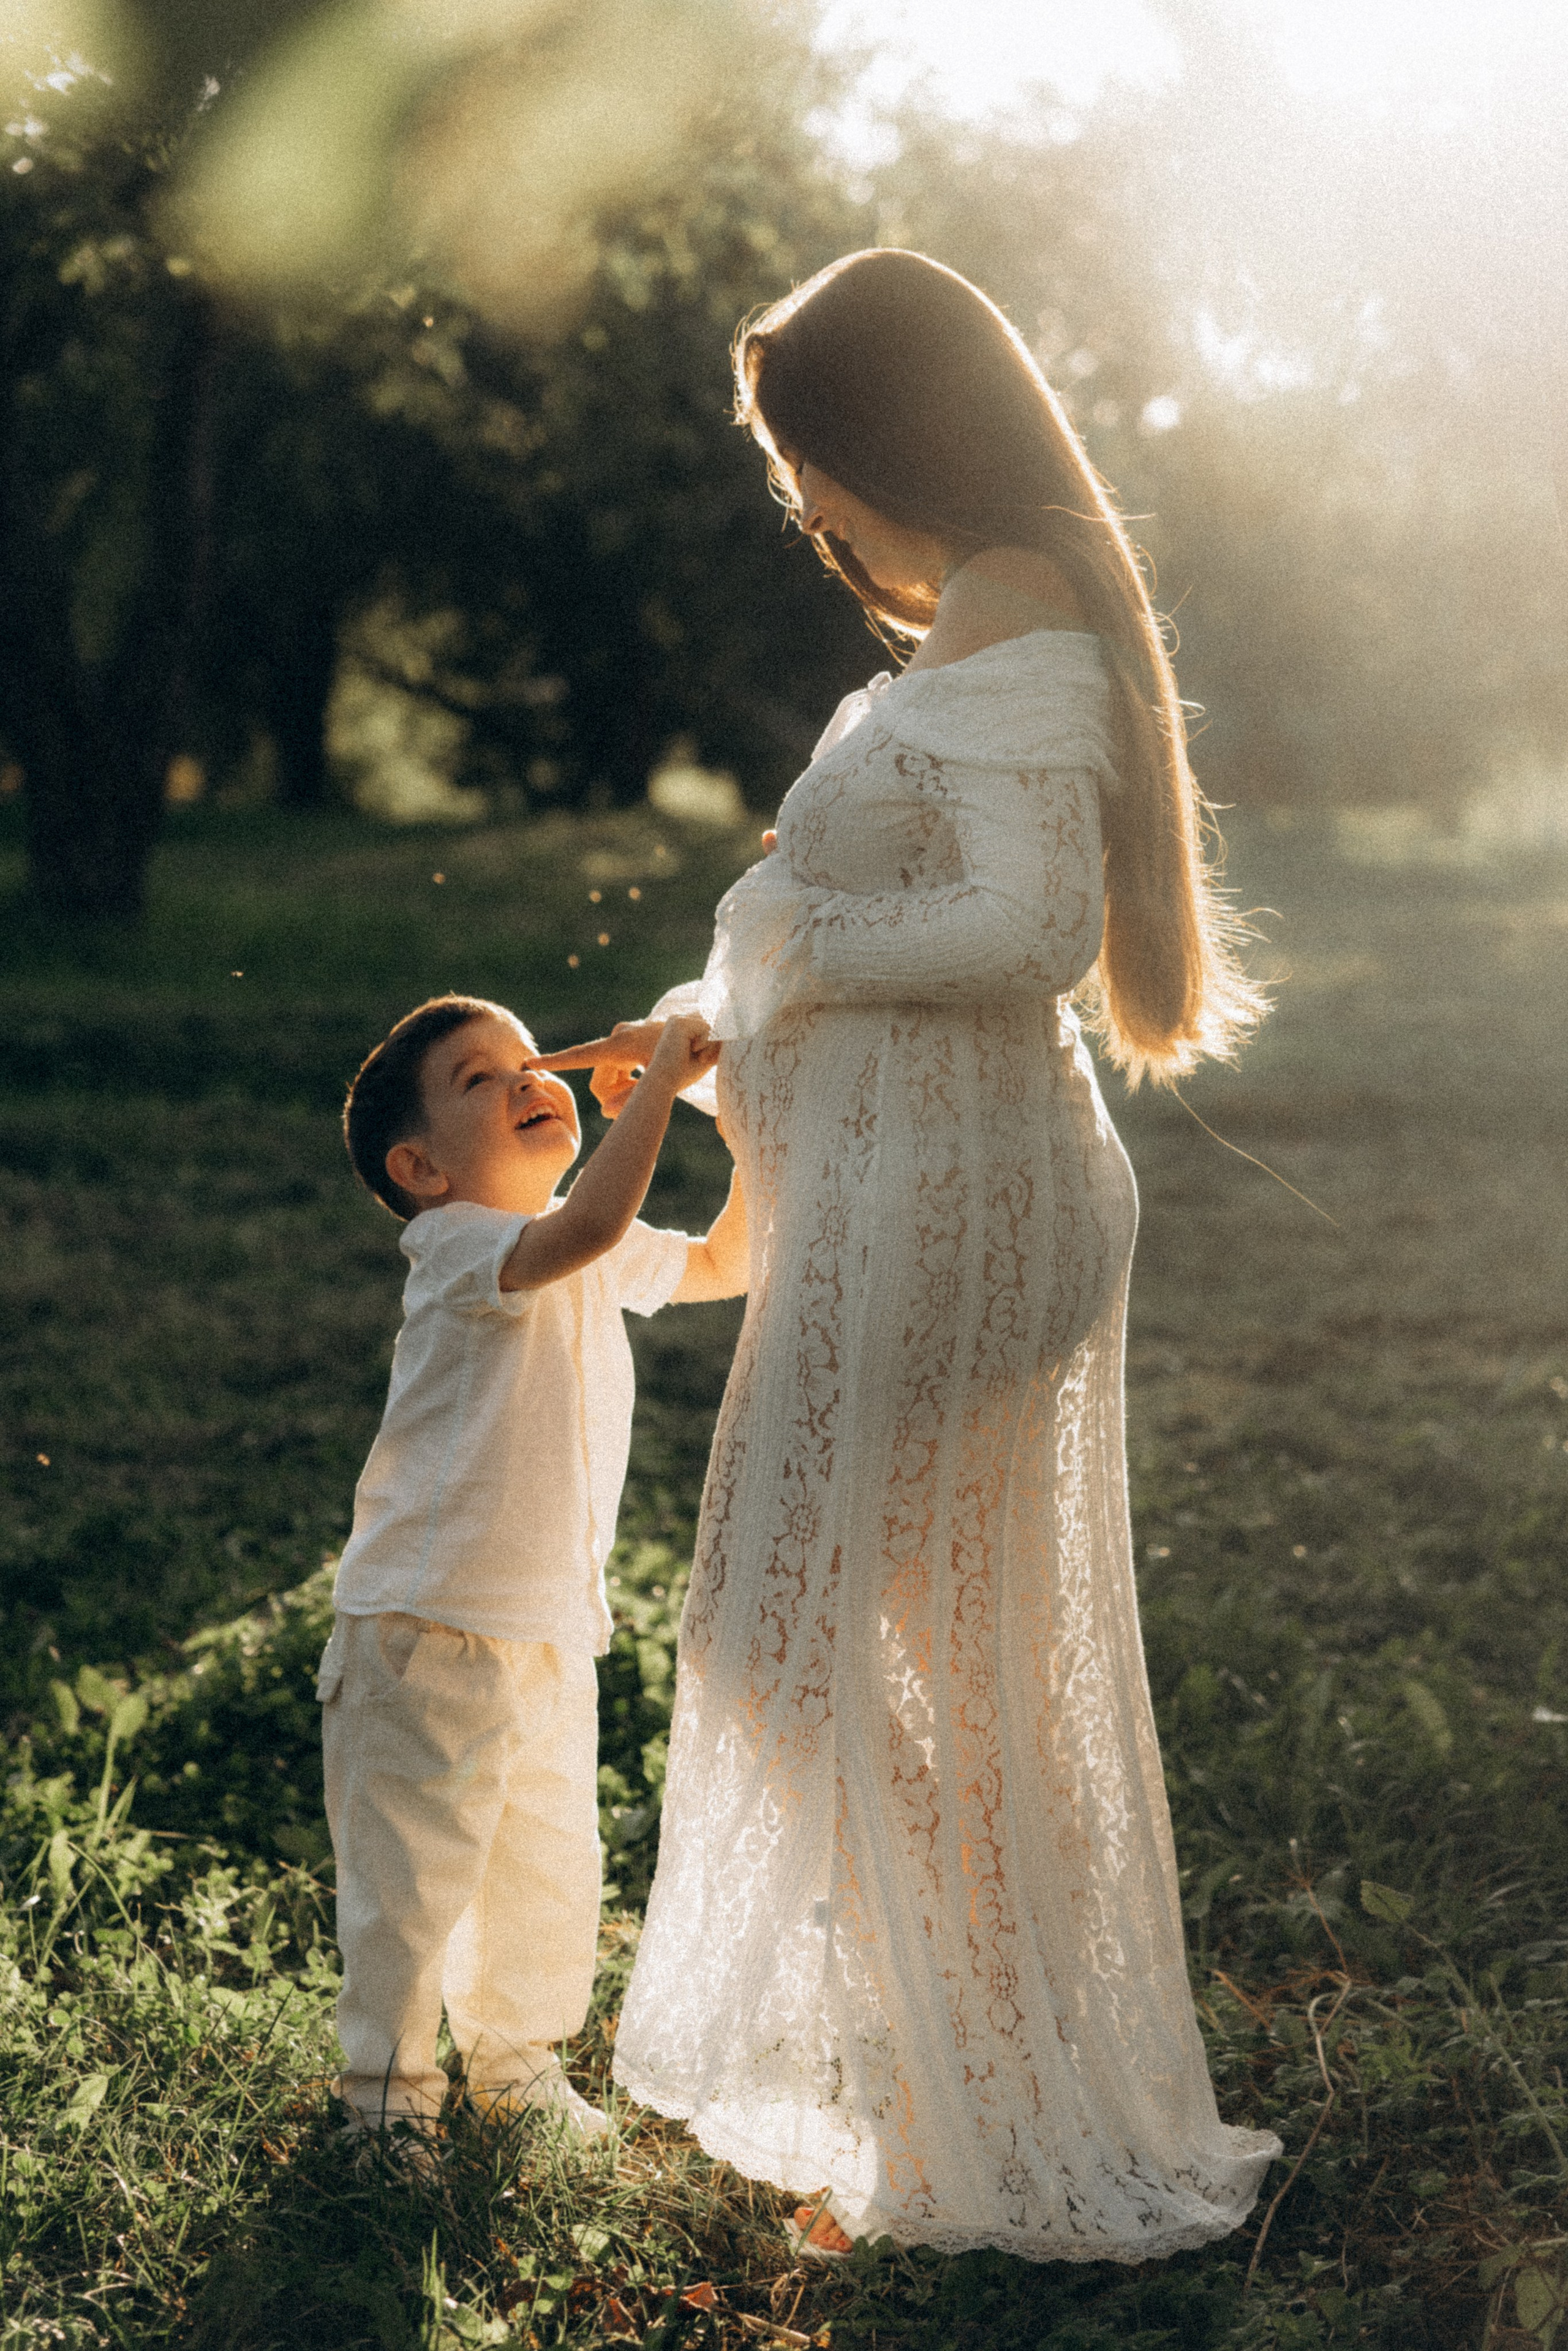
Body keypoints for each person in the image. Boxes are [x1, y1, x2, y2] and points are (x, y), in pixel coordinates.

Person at [537, 247, 1281, 2260]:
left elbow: (1026, 930)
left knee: (795, 1643)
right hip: (923, 1191)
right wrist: (699, 1039)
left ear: (877, 435)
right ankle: (987, 2102)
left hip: (956, 1218)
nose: (803, 502)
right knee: (924, 1657)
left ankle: (989, 2099)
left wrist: (776, 952)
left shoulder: (1016, 603)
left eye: (801, 455)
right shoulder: (989, 617)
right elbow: (897, 955)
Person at [318, 992, 742, 2151]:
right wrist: (654, 1079)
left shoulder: (562, 1230)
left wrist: (733, 1113)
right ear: (422, 1167)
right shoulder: (460, 1247)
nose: (528, 1080)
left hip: (551, 1626)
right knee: (408, 1888)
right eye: (479, 1081)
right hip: (423, 1627)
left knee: (546, 1868)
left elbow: (727, 1257)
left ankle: (517, 2070)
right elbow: (595, 1227)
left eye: (528, 1062)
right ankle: (386, 2105)